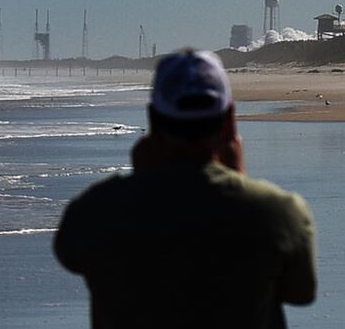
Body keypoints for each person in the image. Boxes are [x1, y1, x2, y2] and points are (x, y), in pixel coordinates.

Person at [55, 49, 316, 328]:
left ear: (153, 120)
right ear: (229, 120)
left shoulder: (96, 210)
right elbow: (300, 292)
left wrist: (140, 181)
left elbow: (71, 255)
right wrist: (237, 179)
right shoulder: (279, 212)